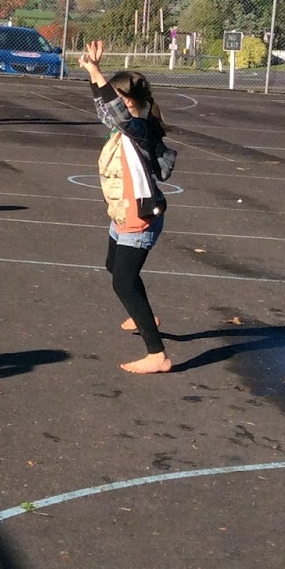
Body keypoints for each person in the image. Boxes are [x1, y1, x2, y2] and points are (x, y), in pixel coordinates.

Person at [77, 39, 172, 374]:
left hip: (139, 218)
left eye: (117, 98)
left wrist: (98, 73)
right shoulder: (124, 127)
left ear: (129, 101)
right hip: (121, 215)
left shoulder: (139, 130)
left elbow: (115, 113)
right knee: (115, 268)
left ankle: (157, 354)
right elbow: (107, 111)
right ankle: (142, 313)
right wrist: (94, 74)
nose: (111, 107)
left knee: (123, 282)